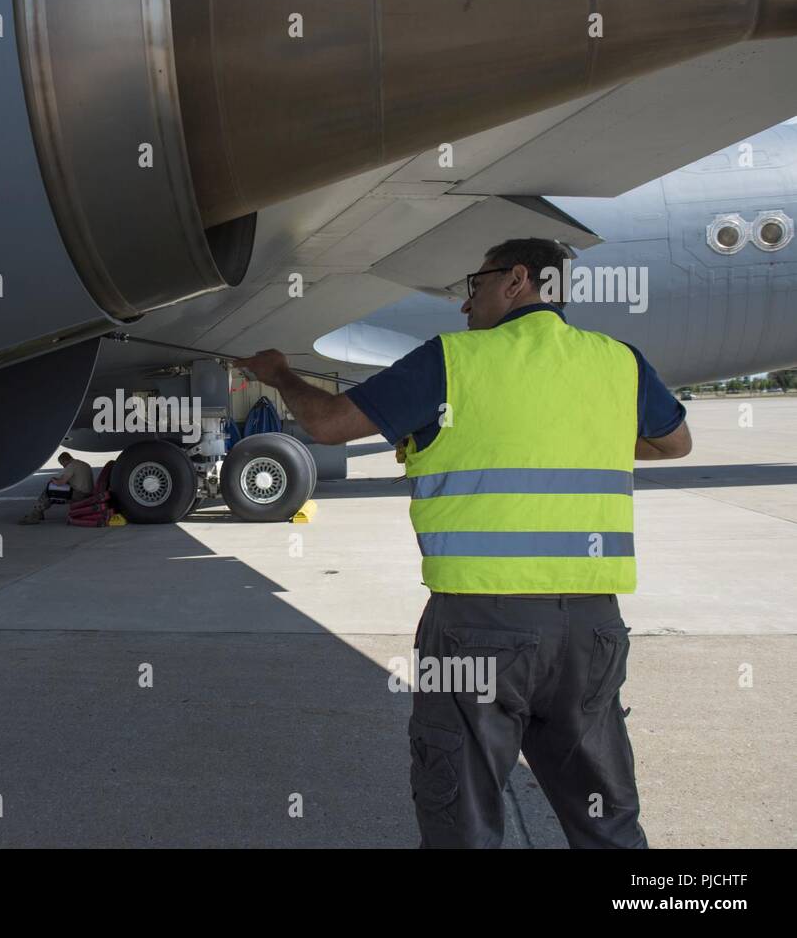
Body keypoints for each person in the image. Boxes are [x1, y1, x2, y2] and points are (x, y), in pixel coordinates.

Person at [235, 238, 692, 848]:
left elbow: (328, 425)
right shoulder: (618, 361)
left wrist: (280, 375)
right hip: (591, 628)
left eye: (474, 284)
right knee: (605, 820)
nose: (465, 304)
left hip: (480, 625)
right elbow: (675, 443)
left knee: (464, 823)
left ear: (517, 280)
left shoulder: (454, 360)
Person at [19, 451, 94, 525]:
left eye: (62, 464)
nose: (63, 466)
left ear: (65, 460)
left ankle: (35, 515)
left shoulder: (71, 466)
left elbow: (60, 483)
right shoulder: (84, 464)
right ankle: (39, 512)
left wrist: (52, 480)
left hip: (78, 494)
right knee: (53, 490)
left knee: (49, 491)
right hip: (88, 493)